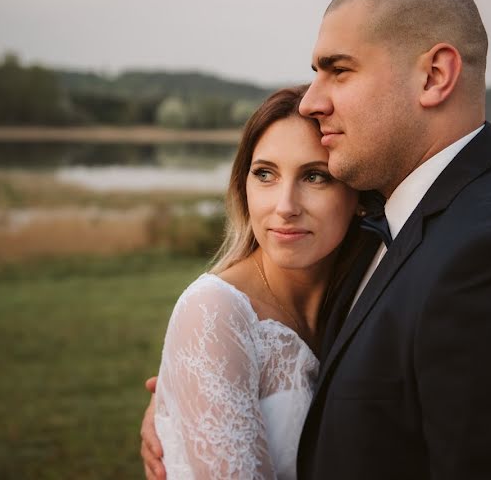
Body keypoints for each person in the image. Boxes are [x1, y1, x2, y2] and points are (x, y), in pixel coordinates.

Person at [142, 0, 491, 479]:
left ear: (434, 76)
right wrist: (191, 406)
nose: (311, 101)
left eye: (339, 71)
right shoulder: (392, 229)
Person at [148, 85, 368, 479]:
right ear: (242, 185)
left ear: (360, 195)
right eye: (265, 174)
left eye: (315, 176)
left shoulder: (368, 294)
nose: (285, 207)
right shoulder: (215, 311)